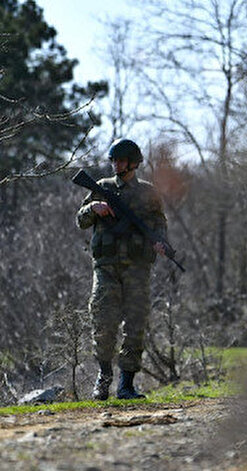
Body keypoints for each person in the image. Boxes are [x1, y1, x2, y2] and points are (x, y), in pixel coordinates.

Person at [76, 138, 167, 400]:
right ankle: (103, 378)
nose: (116, 165)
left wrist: (161, 243)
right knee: (103, 323)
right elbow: (80, 221)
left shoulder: (149, 193)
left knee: (136, 325)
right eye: (114, 160)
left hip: (138, 268)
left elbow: (160, 224)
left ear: (134, 163)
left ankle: (126, 384)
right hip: (106, 268)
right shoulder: (101, 188)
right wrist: (93, 207)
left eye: (121, 160)